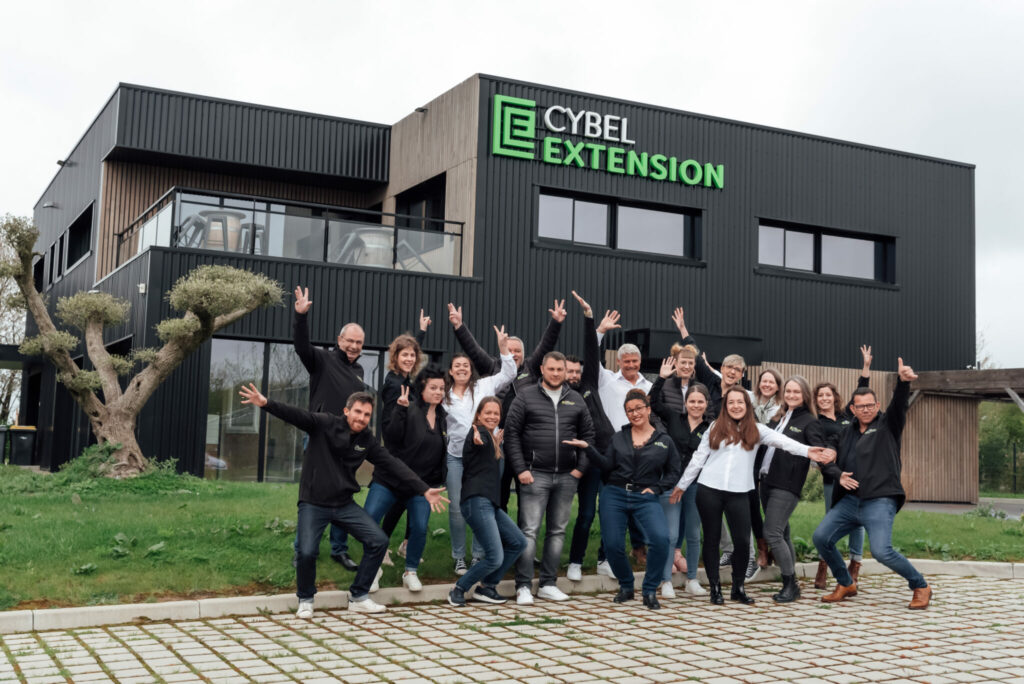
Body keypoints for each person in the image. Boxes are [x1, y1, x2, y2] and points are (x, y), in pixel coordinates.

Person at [238, 386, 448, 617]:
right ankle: (306, 599)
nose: (361, 418)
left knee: (378, 541)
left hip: (344, 505)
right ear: (346, 411)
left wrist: (423, 489)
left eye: (366, 415)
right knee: (306, 552)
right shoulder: (324, 424)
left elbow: (392, 463)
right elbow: (297, 415)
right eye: (357, 412)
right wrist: (266, 403)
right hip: (313, 503)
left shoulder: (366, 440)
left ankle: (359, 596)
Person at [670, 387, 834, 605]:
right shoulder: (714, 427)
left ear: (747, 406)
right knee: (711, 539)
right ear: (725, 406)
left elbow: (783, 441)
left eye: (740, 402)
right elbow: (698, 459)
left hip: (740, 492)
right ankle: (715, 589)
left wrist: (807, 451)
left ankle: (738, 588)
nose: (736, 406)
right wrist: (682, 485)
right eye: (731, 402)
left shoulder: (757, 429)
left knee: (742, 541)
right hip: (709, 489)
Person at [813, 357, 932, 610]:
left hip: (879, 500)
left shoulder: (888, 425)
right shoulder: (844, 433)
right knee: (821, 538)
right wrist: (837, 474)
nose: (866, 410)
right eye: (861, 406)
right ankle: (846, 583)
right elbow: (826, 459)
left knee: (881, 551)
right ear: (853, 409)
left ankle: (920, 585)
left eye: (870, 405)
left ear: (877, 405)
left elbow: (899, 405)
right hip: (849, 501)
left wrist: (903, 383)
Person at [565, 389, 681, 610]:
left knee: (660, 539)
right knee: (612, 545)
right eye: (629, 410)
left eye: (638, 408)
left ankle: (649, 590)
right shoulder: (619, 437)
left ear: (648, 409)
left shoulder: (664, 440)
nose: (634, 413)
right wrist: (588, 448)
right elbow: (607, 465)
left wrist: (657, 488)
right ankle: (626, 585)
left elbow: (674, 471)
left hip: (645, 497)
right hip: (615, 494)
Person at [449, 300, 565, 513]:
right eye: (509, 349)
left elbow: (546, 345)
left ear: (523, 354)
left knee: (525, 492)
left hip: (524, 441)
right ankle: (496, 529)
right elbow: (472, 350)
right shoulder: (492, 367)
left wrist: (556, 322)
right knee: (498, 490)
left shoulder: (532, 368)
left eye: (517, 351)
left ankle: (521, 532)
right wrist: (459, 326)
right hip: (497, 440)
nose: (513, 354)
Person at [671, 306, 759, 579]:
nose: (732, 372)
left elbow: (753, 429)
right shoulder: (711, 383)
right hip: (709, 457)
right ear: (722, 369)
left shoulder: (744, 397)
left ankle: (749, 558)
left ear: (742, 374)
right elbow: (696, 357)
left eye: (737, 370)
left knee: (738, 511)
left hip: (734, 460)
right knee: (711, 508)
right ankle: (729, 550)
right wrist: (683, 330)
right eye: (729, 367)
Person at [505, 351, 595, 604]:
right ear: (542, 370)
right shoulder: (525, 396)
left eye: (560, 369)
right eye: (552, 369)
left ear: (566, 372)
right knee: (529, 531)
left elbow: (589, 436)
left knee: (557, 531)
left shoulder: (576, 399)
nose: (556, 373)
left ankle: (547, 583)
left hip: (567, 476)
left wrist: (580, 469)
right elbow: (511, 434)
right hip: (534, 475)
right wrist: (521, 469)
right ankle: (523, 586)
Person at [291, 285, 366, 571]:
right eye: (350, 341)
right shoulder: (322, 360)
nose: (354, 346)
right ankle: (301, 549)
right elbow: (301, 347)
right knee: (312, 495)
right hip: (319, 438)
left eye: (359, 343)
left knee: (343, 494)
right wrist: (301, 317)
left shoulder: (359, 372)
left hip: (347, 441)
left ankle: (339, 549)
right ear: (339, 340)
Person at [363, 365, 448, 592]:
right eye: (433, 388)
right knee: (369, 519)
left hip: (421, 486)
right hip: (390, 480)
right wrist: (399, 411)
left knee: (419, 527)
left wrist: (436, 482)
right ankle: (372, 570)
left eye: (441, 388)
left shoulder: (443, 418)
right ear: (422, 389)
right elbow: (391, 438)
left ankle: (410, 571)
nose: (438, 392)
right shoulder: (408, 409)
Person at [444, 310, 517, 575]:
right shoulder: (444, 396)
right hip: (456, 457)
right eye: (457, 366)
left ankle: (478, 555)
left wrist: (503, 348)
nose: (462, 368)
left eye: (466, 365)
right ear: (451, 371)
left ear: (471, 369)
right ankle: (458, 556)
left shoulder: (485, 386)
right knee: (456, 508)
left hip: (488, 456)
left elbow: (509, 372)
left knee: (483, 506)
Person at [565, 291, 626, 581]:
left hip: (610, 456)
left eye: (576, 371)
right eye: (568, 371)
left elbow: (592, 352)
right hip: (586, 461)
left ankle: (605, 559)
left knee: (612, 513)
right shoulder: (561, 396)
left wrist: (590, 321)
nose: (573, 375)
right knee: (587, 513)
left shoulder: (589, 384)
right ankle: (575, 562)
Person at [753, 376, 827, 602]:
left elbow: (819, 452)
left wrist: (835, 473)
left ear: (804, 395)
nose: (791, 395)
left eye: (796, 392)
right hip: (766, 480)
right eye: (788, 391)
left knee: (772, 532)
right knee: (782, 533)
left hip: (786, 484)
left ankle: (790, 585)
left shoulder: (809, 422)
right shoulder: (779, 417)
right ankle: (791, 580)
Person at [448, 398, 528, 607]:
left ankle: (487, 587)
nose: (492, 417)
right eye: (488, 413)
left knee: (518, 542)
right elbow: (477, 443)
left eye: (496, 413)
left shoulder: (491, 438)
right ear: (479, 415)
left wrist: (495, 445)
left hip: (489, 504)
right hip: (476, 501)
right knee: (494, 556)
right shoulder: (479, 433)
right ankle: (458, 589)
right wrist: (480, 441)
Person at [811, 344, 873, 589]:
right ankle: (823, 564)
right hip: (833, 478)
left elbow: (860, 390)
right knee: (830, 521)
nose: (824, 398)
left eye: (828, 395)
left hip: (858, 476)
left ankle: (855, 564)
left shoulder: (848, 415)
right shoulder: (816, 424)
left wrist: (866, 367)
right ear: (816, 400)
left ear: (834, 397)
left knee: (859, 521)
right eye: (820, 396)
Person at [650, 362, 710, 598]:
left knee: (694, 534)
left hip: (696, 487)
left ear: (706, 404)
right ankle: (665, 580)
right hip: (671, 485)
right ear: (686, 403)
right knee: (671, 535)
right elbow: (653, 403)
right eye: (692, 401)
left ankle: (692, 579)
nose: (696, 405)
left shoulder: (710, 428)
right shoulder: (674, 418)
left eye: (700, 402)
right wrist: (661, 378)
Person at [377, 311, 432, 564]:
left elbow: (411, 350)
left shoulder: (404, 379)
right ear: (395, 357)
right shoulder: (394, 384)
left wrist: (420, 332)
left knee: (414, 495)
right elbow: (390, 424)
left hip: (411, 450)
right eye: (404, 355)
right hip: (398, 451)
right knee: (400, 499)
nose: (409, 359)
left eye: (412, 355)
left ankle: (405, 544)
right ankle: (382, 545)